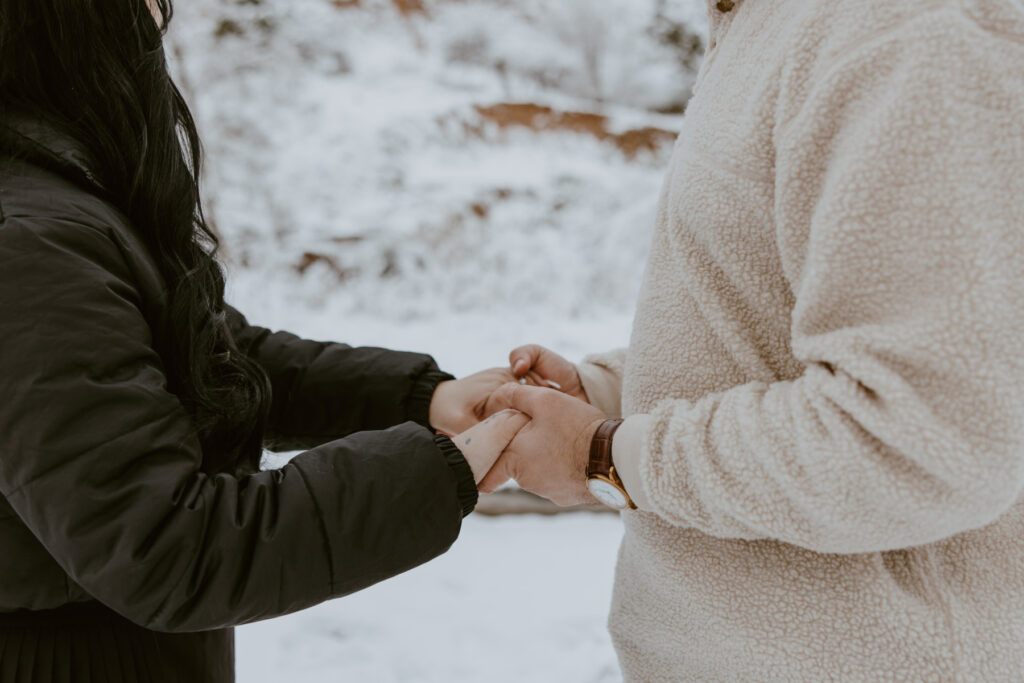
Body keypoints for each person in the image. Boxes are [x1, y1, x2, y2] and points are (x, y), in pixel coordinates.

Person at [487, 0, 1024, 679]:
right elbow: (763, 321)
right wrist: (602, 397)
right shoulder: (773, 20)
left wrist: (605, 456)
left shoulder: (903, 31)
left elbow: (921, 441)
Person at [0, 1, 528, 680]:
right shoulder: (29, 242)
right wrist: (437, 470)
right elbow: (167, 546)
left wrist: (422, 397)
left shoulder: (51, 204)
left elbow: (202, 354)